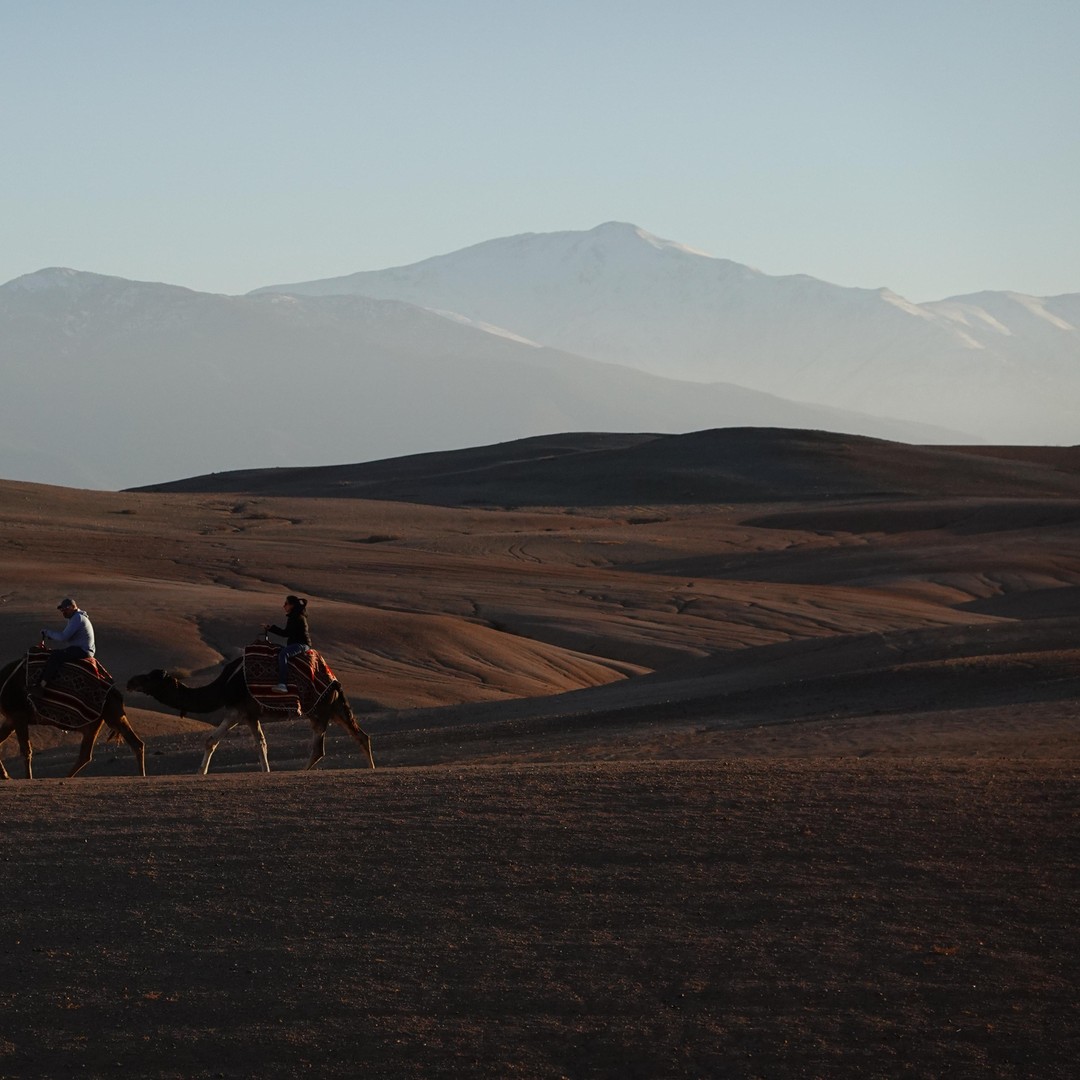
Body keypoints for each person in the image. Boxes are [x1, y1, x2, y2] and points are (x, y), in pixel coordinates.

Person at [40, 598, 96, 687]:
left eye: (65, 610)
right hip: (81, 649)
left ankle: (42, 684)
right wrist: (50, 636)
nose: (63, 613)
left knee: (55, 656)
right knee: (57, 653)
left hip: (82, 651)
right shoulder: (76, 618)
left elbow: (63, 637)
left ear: (73, 607)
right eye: (62, 610)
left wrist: (47, 632)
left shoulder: (77, 618)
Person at [264, 595, 311, 692]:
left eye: (286, 604)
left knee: (283, 654)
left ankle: (282, 684)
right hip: (295, 643)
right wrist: (271, 628)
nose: (284, 606)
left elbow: (286, 633)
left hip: (302, 644)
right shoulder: (294, 616)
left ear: (292, 605)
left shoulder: (297, 617)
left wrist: (271, 628)